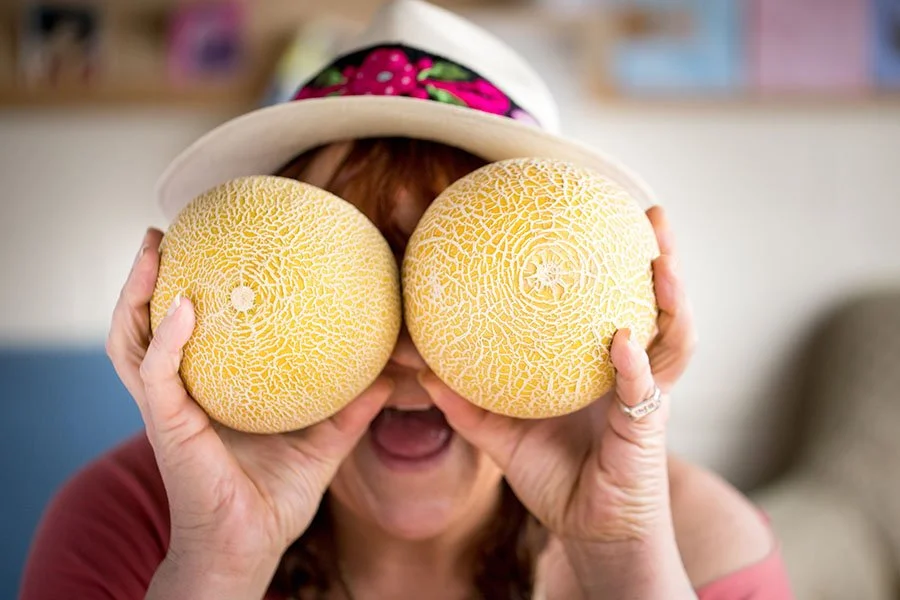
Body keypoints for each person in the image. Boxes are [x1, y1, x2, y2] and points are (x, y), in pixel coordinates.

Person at [19, 1, 794, 598]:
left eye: (456, 279)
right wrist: (213, 568)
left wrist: (627, 564)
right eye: (355, 267)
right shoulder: (128, 523)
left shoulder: (697, 547)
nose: (408, 349)